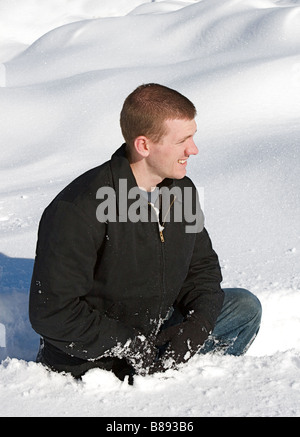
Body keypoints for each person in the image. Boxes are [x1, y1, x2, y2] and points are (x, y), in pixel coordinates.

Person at [29, 83, 262, 383]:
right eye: (183, 140)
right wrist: (131, 345)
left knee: (244, 309)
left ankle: (184, 383)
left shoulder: (181, 192)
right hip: (95, 354)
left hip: (154, 331)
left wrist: (196, 327)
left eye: (193, 137)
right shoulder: (78, 207)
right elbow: (52, 312)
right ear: (144, 145)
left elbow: (201, 269)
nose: (193, 149)